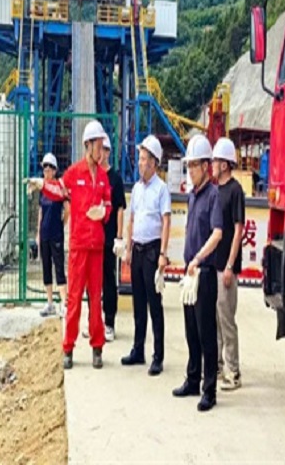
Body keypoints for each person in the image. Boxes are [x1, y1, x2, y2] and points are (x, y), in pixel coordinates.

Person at [56, 120, 112, 370]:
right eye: (98, 145)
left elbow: (108, 203)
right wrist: (44, 185)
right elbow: (59, 189)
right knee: (75, 298)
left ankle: (97, 347)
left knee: (96, 299)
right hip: (79, 247)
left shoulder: (103, 177)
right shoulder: (74, 173)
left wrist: (104, 212)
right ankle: (68, 347)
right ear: (88, 145)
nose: (101, 151)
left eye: (102, 146)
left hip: (96, 247)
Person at [173, 134, 223, 412]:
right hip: (190, 271)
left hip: (204, 271)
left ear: (206, 166)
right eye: (188, 165)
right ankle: (192, 379)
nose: (190, 170)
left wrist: (198, 258)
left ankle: (209, 389)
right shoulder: (192, 196)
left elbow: (217, 234)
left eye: (194, 165)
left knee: (206, 333)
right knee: (190, 329)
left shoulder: (213, 195)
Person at [121, 135, 171, 376]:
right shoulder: (137, 189)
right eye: (139, 159)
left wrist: (163, 254)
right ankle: (138, 349)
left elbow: (166, 221)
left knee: (155, 305)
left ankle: (158, 356)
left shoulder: (161, 189)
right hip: (138, 251)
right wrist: (128, 248)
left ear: (153, 162)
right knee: (138, 303)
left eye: (143, 159)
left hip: (152, 251)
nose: (140, 163)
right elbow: (131, 219)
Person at [211, 138, 245, 391]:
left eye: (215, 161)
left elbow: (238, 230)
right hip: (214, 266)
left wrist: (230, 266)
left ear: (225, 164)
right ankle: (218, 365)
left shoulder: (235, 191)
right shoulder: (216, 191)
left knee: (227, 320)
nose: (212, 165)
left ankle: (233, 370)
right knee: (215, 319)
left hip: (226, 268)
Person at [100, 135, 126, 342]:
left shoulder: (115, 179)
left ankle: (109, 322)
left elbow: (119, 209)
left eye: (103, 149)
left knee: (109, 280)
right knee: (93, 282)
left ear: (108, 152)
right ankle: (95, 322)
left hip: (108, 238)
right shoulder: (92, 175)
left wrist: (119, 237)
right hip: (92, 237)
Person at [36, 153, 68, 318]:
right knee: (46, 268)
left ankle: (64, 303)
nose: (47, 171)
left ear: (55, 170)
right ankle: (50, 303)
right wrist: (38, 233)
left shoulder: (59, 187)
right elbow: (40, 211)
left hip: (56, 234)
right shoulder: (43, 189)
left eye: (50, 168)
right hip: (45, 234)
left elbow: (67, 208)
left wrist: (62, 223)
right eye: (45, 168)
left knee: (59, 267)